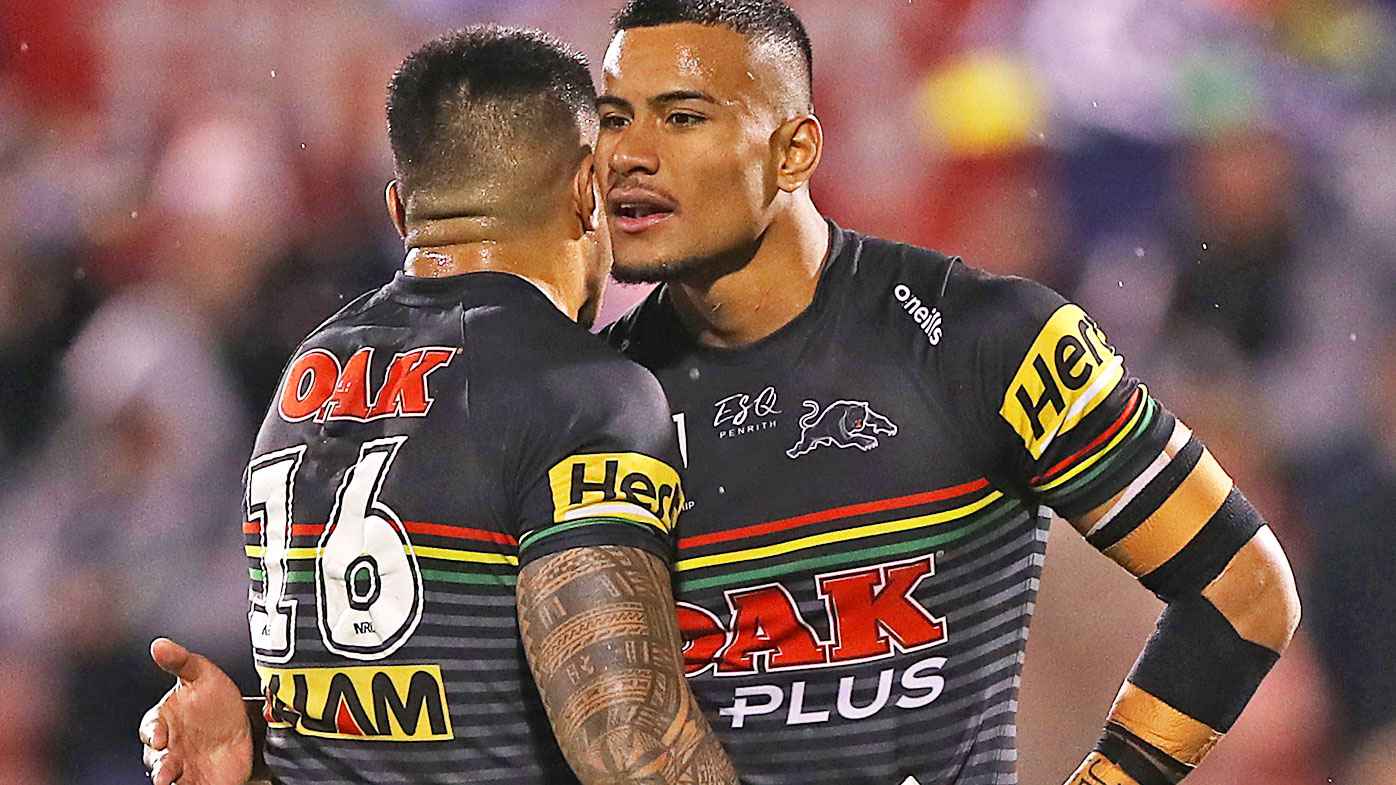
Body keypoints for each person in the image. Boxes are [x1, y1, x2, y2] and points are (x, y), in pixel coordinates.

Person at [143, 2, 1302, 784]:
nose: (631, 156)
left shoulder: (984, 338)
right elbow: (467, 698)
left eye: (684, 117)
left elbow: (1242, 593)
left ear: (794, 148)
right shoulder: (586, 398)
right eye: (612, 122)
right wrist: (260, 734)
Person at [140, 25, 738, 785]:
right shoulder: (585, 392)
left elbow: (397, 713)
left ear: (402, 211)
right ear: (590, 190)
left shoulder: (306, 377)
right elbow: (632, 746)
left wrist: (262, 746)